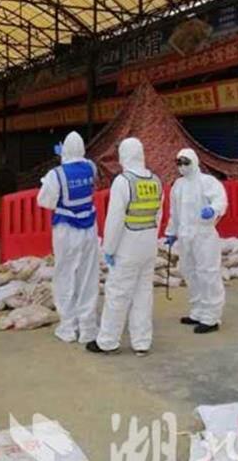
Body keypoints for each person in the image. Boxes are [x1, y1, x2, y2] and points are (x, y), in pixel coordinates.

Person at [86, 137, 162, 356]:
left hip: (128, 247)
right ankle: (142, 342)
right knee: (143, 295)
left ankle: (108, 341)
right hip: (148, 246)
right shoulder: (155, 181)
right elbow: (158, 215)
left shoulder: (123, 181)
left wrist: (109, 249)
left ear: (125, 156)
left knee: (118, 295)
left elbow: (115, 220)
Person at [37, 131, 99, 344]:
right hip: (89, 228)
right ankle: (88, 327)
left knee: (65, 275)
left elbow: (45, 201)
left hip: (66, 230)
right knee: (88, 277)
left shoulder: (56, 174)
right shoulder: (91, 167)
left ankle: (68, 327)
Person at [164, 148, 228, 334]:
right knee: (189, 272)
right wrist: (171, 232)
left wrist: (213, 210)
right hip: (185, 236)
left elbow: (221, 200)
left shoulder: (207, 182)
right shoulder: (178, 185)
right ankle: (198, 311)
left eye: (186, 162)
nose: (182, 166)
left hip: (204, 235)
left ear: (194, 161)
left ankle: (211, 316)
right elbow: (174, 212)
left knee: (208, 273)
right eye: (179, 163)